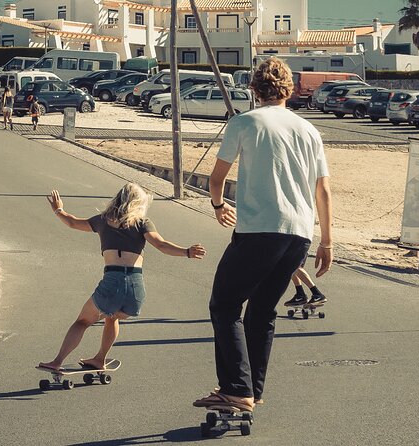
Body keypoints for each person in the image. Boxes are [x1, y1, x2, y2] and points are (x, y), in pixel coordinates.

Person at [193, 57, 333, 412]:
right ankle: (251, 390)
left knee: (224, 305)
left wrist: (217, 205)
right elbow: (323, 192)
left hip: (259, 230)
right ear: (290, 90)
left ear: (254, 90)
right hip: (299, 234)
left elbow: (216, 178)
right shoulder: (309, 131)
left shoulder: (244, 122)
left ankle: (236, 389)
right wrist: (327, 241)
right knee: (263, 311)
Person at [39, 184, 206, 371]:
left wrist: (58, 209)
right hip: (136, 288)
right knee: (112, 317)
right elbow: (161, 245)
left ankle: (57, 361)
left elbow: (72, 222)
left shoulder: (102, 221)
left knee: (83, 321)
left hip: (113, 282)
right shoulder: (142, 223)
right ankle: (100, 359)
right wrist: (187, 252)